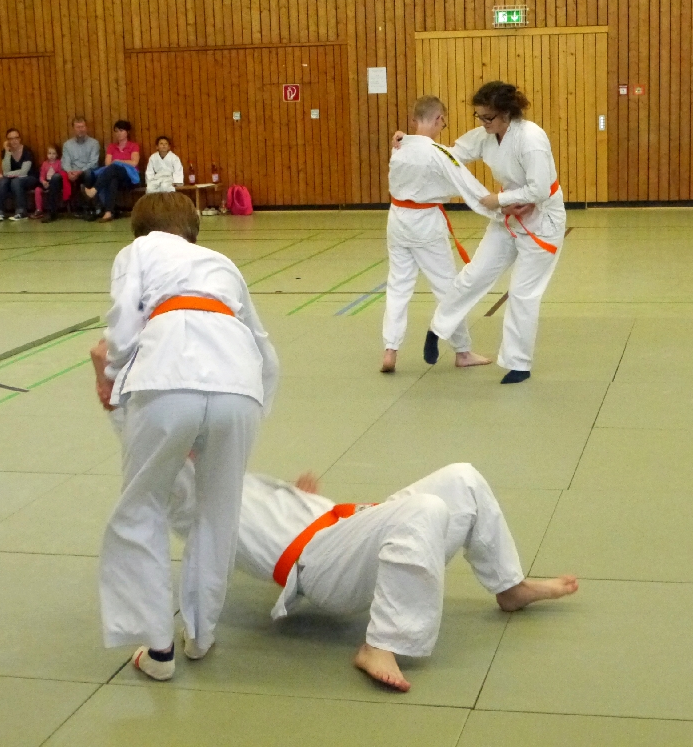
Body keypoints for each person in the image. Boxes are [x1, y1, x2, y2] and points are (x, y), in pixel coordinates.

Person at [88, 358, 580, 691]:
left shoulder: (230, 475)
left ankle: (509, 586)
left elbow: (256, 511)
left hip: (344, 532)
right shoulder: (184, 494)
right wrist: (109, 384)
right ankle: (381, 644)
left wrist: (298, 499)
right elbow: (140, 437)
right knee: (425, 511)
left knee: (462, 478)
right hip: (319, 567)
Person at [96, 192, 279, 682]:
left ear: (140, 228)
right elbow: (265, 350)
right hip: (240, 385)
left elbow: (123, 328)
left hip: (167, 376)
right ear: (193, 230)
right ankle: (201, 634)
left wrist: (112, 377)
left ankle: (158, 651)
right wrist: (247, 412)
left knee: (142, 506)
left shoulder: (138, 250)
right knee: (218, 511)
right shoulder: (222, 263)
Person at [402, 81, 566, 384]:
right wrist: (412, 143)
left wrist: (497, 200)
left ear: (507, 113)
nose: (483, 122)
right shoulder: (486, 135)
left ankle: (518, 363)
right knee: (473, 274)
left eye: (488, 117)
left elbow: (540, 190)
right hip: (509, 216)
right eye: (479, 116)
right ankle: (438, 329)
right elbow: (450, 155)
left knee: (522, 293)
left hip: (543, 221)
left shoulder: (531, 138)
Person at [381, 96, 493, 374]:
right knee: (446, 287)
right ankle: (462, 351)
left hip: (397, 220)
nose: (443, 126)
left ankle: (390, 349)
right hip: (425, 223)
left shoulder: (399, 148)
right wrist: (499, 208)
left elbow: (414, 149)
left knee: (398, 286)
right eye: (443, 121)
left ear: (413, 120)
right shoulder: (437, 153)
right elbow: (467, 184)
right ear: (439, 119)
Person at [84, 120, 141, 222]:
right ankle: (108, 212)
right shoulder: (112, 147)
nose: (118, 133)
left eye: (121, 130)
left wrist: (119, 161)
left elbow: (134, 163)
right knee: (113, 179)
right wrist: (116, 163)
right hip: (114, 175)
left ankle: (94, 190)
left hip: (129, 177)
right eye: (116, 131)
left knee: (114, 167)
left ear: (127, 132)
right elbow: (107, 164)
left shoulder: (133, 146)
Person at [58, 116, 100, 219]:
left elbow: (94, 163)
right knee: (55, 178)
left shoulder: (94, 143)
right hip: (71, 173)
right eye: (78, 127)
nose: (80, 129)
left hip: (86, 172)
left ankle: (87, 208)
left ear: (86, 127)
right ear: (73, 129)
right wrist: (69, 172)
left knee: (88, 174)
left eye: (82, 127)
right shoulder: (67, 145)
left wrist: (79, 172)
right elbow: (65, 162)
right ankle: (52, 212)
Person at [0, 128, 37, 221]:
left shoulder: (27, 151)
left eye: (16, 138)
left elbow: (24, 172)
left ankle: (21, 212)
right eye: (11, 139)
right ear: (7, 141)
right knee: (2, 182)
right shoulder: (6, 152)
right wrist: (7, 152)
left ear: (20, 139)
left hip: (29, 177)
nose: (14, 141)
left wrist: (6, 174)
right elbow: (5, 169)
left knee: (16, 182)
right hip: (12, 179)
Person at [31, 144, 69, 220]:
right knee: (37, 190)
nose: (51, 155)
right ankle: (39, 209)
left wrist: (51, 182)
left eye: (54, 153)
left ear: (57, 154)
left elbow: (60, 174)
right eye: (49, 153)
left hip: (55, 182)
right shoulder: (45, 164)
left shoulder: (59, 163)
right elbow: (42, 175)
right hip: (46, 182)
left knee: (53, 188)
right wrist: (43, 182)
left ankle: (53, 209)